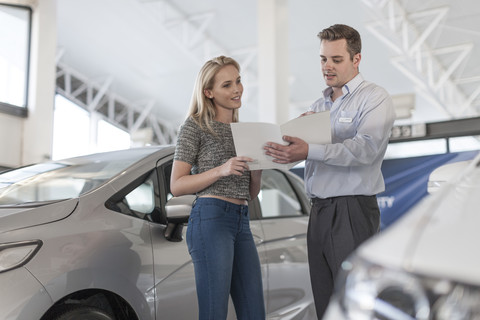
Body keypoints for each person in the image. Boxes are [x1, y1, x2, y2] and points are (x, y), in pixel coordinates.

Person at [264, 24, 396, 319]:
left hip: (352, 211)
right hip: (319, 212)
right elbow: (303, 155)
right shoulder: (319, 105)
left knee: (353, 301)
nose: (327, 66)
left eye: (336, 60)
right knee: (325, 301)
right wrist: (286, 145)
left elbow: (365, 150)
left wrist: (309, 148)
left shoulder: (374, 98)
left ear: (356, 59)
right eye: (323, 59)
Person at [170, 55, 265, 320]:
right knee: (214, 313)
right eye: (227, 85)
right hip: (211, 219)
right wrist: (222, 169)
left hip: (241, 220)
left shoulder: (245, 131)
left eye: (238, 81)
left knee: (255, 313)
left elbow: (249, 193)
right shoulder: (195, 126)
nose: (236, 89)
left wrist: (257, 171)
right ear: (208, 92)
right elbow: (177, 185)